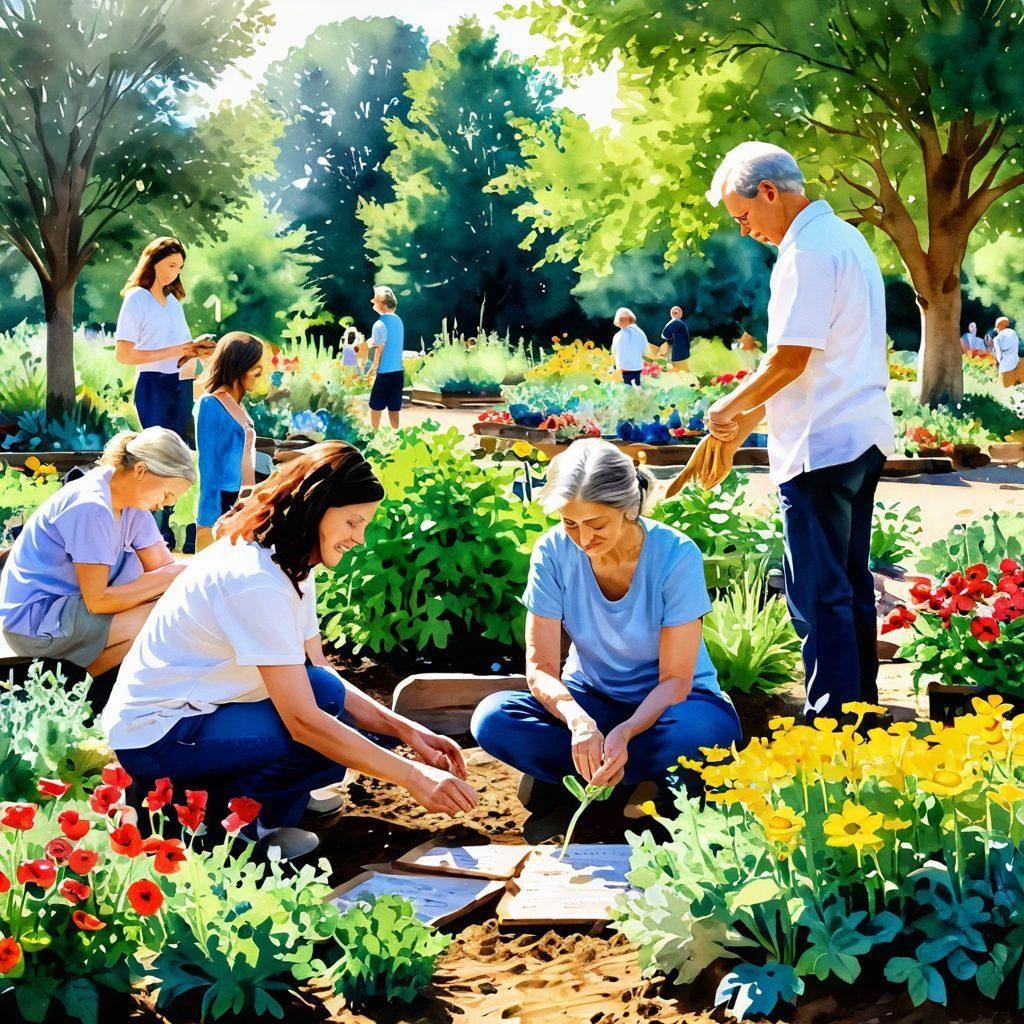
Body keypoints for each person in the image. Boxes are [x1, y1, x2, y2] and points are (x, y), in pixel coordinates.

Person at [101, 442, 478, 858]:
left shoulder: (291, 559)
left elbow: (317, 670)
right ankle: (224, 827)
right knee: (322, 726)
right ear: (317, 508)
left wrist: (410, 731)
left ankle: (252, 802)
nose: (360, 538)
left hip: (204, 712)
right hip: (158, 735)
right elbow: (303, 721)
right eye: (353, 522)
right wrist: (416, 778)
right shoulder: (255, 578)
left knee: (342, 707)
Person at [695, 141, 894, 723]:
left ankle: (831, 722)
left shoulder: (805, 253)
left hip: (820, 443)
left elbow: (788, 359)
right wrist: (745, 422)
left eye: (743, 215)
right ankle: (860, 715)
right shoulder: (848, 240)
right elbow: (810, 361)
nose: (745, 229)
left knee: (815, 593)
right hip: (861, 434)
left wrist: (725, 409)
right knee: (850, 585)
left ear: (770, 192)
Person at [472, 440, 741, 814]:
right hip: (591, 699)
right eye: (570, 524)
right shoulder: (551, 552)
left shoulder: (676, 554)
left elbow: (677, 681)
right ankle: (631, 778)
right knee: (494, 718)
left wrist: (627, 731)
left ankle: (584, 778)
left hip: (672, 707)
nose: (583, 539)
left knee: (703, 733)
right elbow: (541, 670)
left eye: (597, 524)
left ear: (629, 509)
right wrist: (578, 721)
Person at [0, 428, 194, 677]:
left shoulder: (132, 504)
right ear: (141, 471)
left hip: (71, 609)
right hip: (36, 622)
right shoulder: (92, 505)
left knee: (171, 607)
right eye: (168, 493)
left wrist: (177, 577)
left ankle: (82, 687)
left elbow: (163, 569)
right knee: (163, 618)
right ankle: (80, 688)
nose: (169, 503)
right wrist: (176, 576)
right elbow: (97, 601)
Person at [114, 237, 212, 545]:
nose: (173, 273)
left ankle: (164, 530)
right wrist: (170, 351)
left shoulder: (174, 303)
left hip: (179, 384)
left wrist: (194, 351)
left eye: (179, 268)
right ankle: (149, 531)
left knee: (176, 457)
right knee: (155, 457)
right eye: (170, 265)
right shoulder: (136, 299)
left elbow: (178, 352)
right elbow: (124, 354)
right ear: (153, 261)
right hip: (153, 384)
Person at [194, 333, 266, 552]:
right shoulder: (210, 404)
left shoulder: (236, 404)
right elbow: (208, 464)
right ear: (239, 366)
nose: (260, 375)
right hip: (220, 501)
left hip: (240, 496)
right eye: (256, 369)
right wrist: (208, 518)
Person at [366, 286, 405, 430]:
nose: (372, 302)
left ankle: (374, 433)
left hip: (384, 372)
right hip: (398, 372)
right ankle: (396, 433)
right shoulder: (398, 321)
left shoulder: (379, 324)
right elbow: (384, 340)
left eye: (374, 300)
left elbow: (380, 346)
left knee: (375, 405)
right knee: (394, 407)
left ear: (381, 303)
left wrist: (374, 366)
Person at [610, 308, 647, 386]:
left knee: (626, 389)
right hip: (636, 367)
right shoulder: (640, 333)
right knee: (636, 386)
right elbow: (645, 349)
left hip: (623, 369)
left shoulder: (617, 336)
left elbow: (614, 351)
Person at [660, 306, 692, 372]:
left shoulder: (675, 323)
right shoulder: (683, 325)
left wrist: (667, 343)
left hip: (677, 355)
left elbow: (664, 335)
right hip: (685, 354)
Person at [994, 315, 1023, 387]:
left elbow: (998, 355)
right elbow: (1017, 346)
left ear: (999, 326)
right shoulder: (1013, 333)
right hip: (1016, 362)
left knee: (1005, 385)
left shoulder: (997, 338)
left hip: (1005, 368)